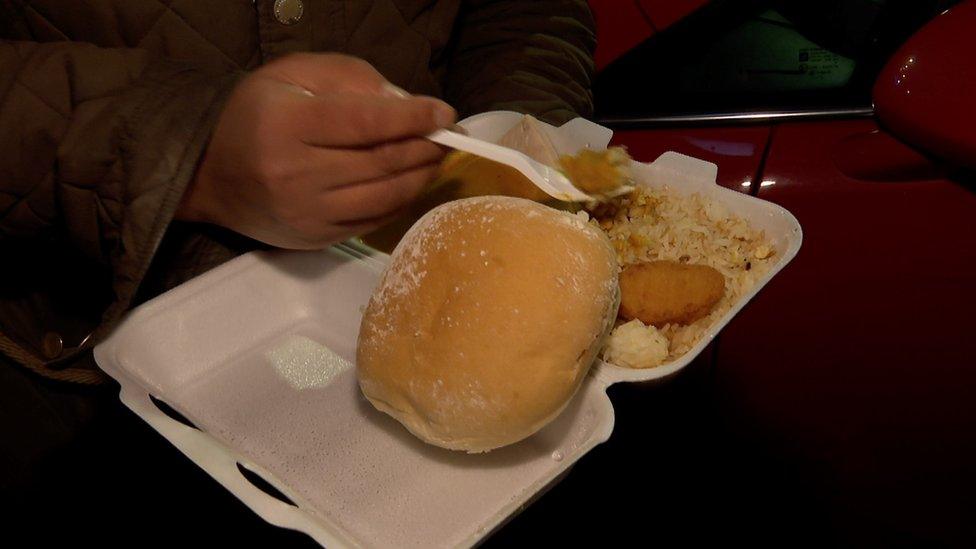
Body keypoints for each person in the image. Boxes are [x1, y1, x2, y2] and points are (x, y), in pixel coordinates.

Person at [0, 0, 595, 489]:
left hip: (408, 279)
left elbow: (526, 14)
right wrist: (182, 151)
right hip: (72, 378)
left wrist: (520, 148)